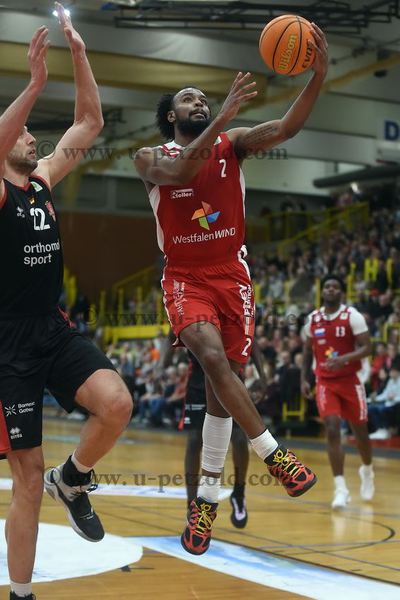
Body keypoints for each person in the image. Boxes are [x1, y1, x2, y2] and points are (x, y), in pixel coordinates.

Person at [135, 23, 328, 555]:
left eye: (204, 97)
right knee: (212, 358)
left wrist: (318, 76)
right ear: (172, 116)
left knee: (225, 391)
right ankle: (274, 455)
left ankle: (205, 506)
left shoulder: (234, 143)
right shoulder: (148, 157)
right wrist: (220, 118)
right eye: (188, 99)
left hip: (232, 275)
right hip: (184, 277)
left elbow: (286, 127)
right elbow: (180, 173)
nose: (199, 101)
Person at [0, 5, 133, 599]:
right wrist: (33, 84)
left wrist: (79, 54)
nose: (34, 136)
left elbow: (90, 120)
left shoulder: (44, 180)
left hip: (52, 328)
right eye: (26, 131)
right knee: (25, 479)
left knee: (117, 404)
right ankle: (21, 593)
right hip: (7, 343)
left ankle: (73, 479)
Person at [301, 275, 375, 510]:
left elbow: (367, 348)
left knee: (360, 432)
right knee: (332, 429)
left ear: (341, 292)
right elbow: (307, 351)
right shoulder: (313, 319)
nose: (330, 289)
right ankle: (341, 488)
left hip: (351, 381)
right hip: (324, 381)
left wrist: (344, 359)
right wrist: (304, 378)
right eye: (327, 287)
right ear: (322, 292)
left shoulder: (353, 316)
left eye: (335, 286)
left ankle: (367, 469)